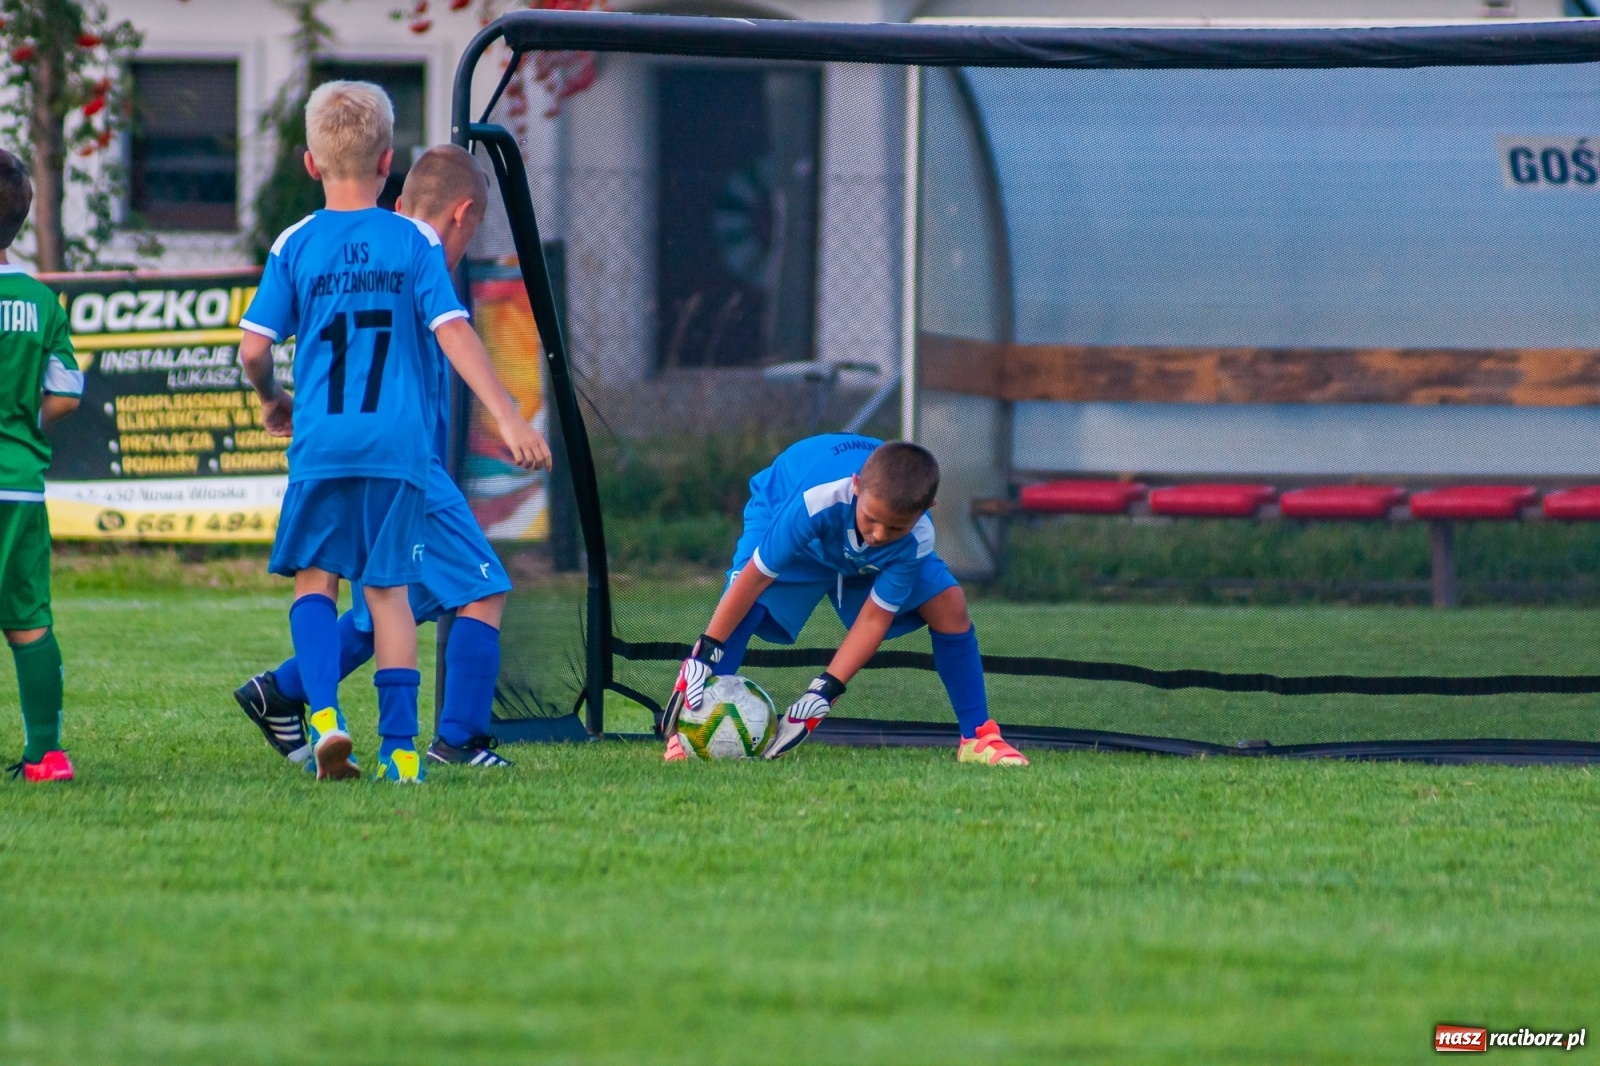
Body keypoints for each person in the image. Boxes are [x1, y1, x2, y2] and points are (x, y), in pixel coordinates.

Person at [238, 81, 549, 782]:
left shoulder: (299, 242)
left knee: (332, 584)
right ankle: (420, 748)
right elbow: (455, 333)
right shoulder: (412, 248)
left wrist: (271, 397)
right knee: (435, 588)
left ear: (310, 164)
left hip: (322, 445)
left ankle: (305, 702)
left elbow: (253, 348)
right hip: (402, 455)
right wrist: (505, 412)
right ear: (388, 164)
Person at [665, 434, 1027, 766]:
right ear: (856, 486)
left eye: (895, 527)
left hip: (856, 542)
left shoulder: (916, 536)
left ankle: (978, 737)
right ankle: (691, 729)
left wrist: (825, 691)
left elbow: (873, 618)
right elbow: (755, 579)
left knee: (949, 604)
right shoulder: (815, 500)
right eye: (871, 519)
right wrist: (706, 651)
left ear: (926, 507)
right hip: (786, 505)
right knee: (748, 605)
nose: (879, 535)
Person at [0, 150, 83, 783]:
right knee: (28, 620)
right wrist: (27, 421)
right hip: (20, 488)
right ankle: (46, 755)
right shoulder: (39, 302)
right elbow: (67, 392)